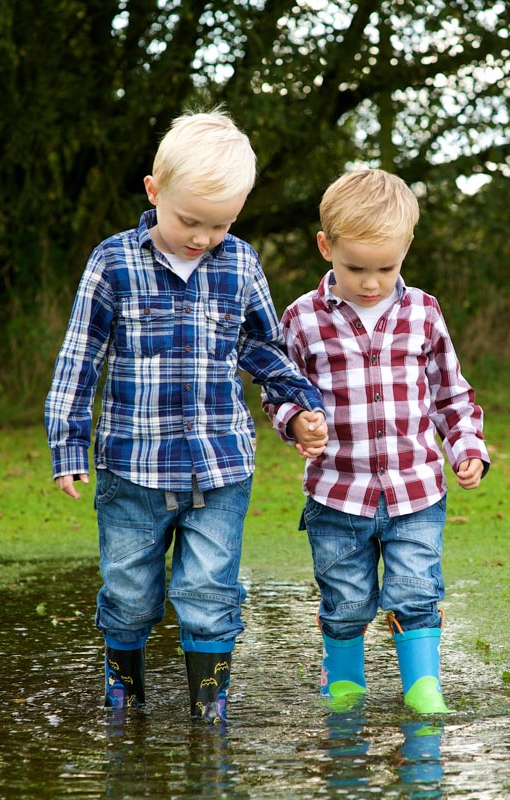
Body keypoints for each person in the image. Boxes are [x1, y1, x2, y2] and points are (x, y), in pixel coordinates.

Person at [44, 109, 328, 723]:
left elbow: (260, 346)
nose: (203, 238)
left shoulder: (239, 263)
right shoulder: (113, 264)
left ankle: (210, 705)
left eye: (220, 224)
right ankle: (126, 694)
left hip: (220, 466)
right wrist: (68, 445)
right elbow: (79, 360)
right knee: (129, 590)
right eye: (190, 221)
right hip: (131, 467)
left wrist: (300, 401)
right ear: (154, 191)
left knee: (208, 589)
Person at [264, 169, 489, 714]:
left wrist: (468, 448)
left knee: (417, 593)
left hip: (416, 492)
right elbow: (278, 392)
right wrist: (296, 421)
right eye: (355, 268)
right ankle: (343, 682)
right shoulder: (302, 319)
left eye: (386, 268)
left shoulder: (423, 312)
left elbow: (450, 394)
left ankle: (423, 686)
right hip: (338, 494)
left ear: (407, 247)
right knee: (345, 600)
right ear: (326, 247)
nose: (370, 282)